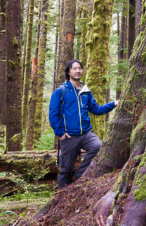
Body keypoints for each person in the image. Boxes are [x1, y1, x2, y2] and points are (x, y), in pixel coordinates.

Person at [48, 59, 119, 188]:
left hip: (86, 133)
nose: (78, 71)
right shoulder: (61, 91)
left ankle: (78, 176)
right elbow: (53, 114)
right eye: (74, 68)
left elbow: (96, 109)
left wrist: (113, 104)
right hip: (69, 136)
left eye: (80, 68)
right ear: (69, 72)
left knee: (98, 146)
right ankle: (63, 197)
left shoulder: (86, 91)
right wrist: (60, 133)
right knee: (65, 170)